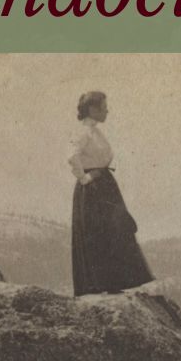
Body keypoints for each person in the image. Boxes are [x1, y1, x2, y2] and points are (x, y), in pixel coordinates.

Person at [68, 91, 154, 296]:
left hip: (104, 186)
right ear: (92, 109)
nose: (107, 110)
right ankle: (97, 285)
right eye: (103, 107)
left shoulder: (95, 132)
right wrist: (85, 179)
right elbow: (71, 157)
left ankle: (112, 282)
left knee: (113, 231)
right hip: (93, 189)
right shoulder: (83, 133)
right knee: (97, 232)